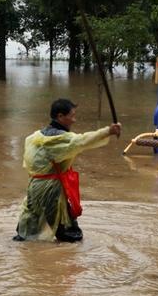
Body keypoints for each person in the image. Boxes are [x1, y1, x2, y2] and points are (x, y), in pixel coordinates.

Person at [14, 99, 121, 242]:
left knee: (29, 227)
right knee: (69, 234)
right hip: (51, 190)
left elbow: (28, 163)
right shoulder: (60, 139)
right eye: (72, 116)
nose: (74, 120)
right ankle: (64, 260)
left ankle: (27, 254)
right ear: (60, 116)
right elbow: (82, 141)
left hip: (34, 187)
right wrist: (108, 131)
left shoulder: (34, 137)